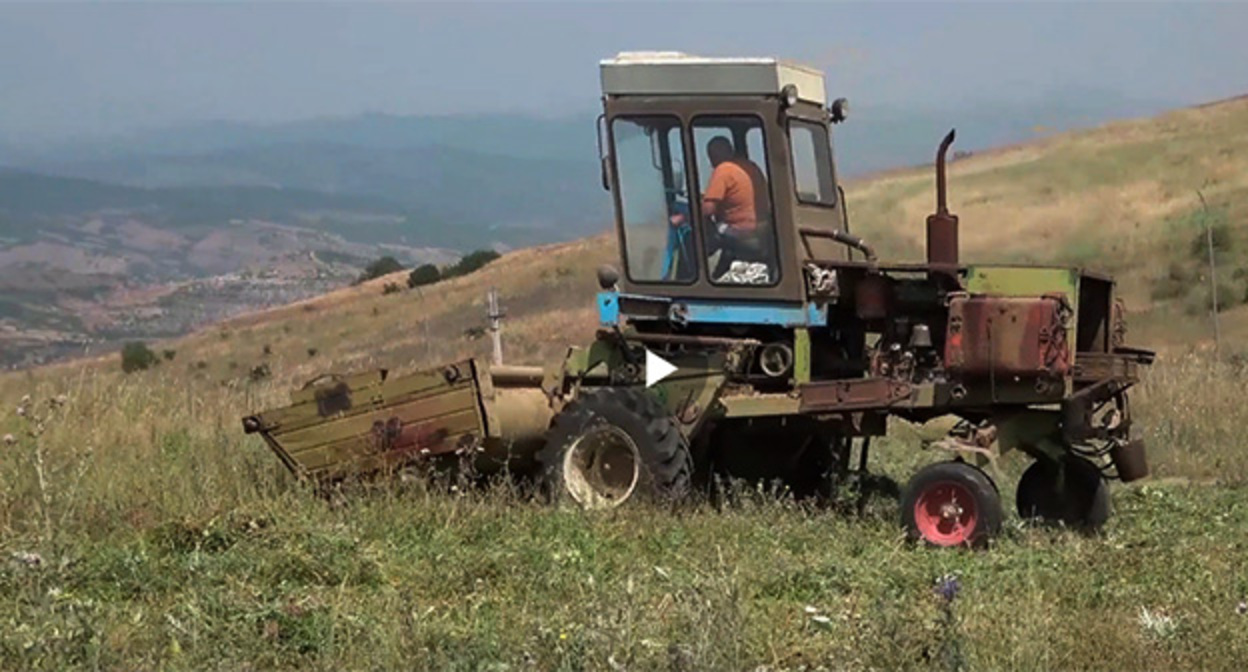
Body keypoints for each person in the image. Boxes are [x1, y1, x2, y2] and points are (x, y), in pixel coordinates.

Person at [701, 137, 768, 279]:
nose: (711, 163)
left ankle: (699, 277)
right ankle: (720, 271)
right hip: (760, 229)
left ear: (714, 155)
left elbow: (708, 209)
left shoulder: (724, 170)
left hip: (738, 230)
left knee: (703, 235)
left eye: (711, 156)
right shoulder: (751, 167)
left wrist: (687, 214)